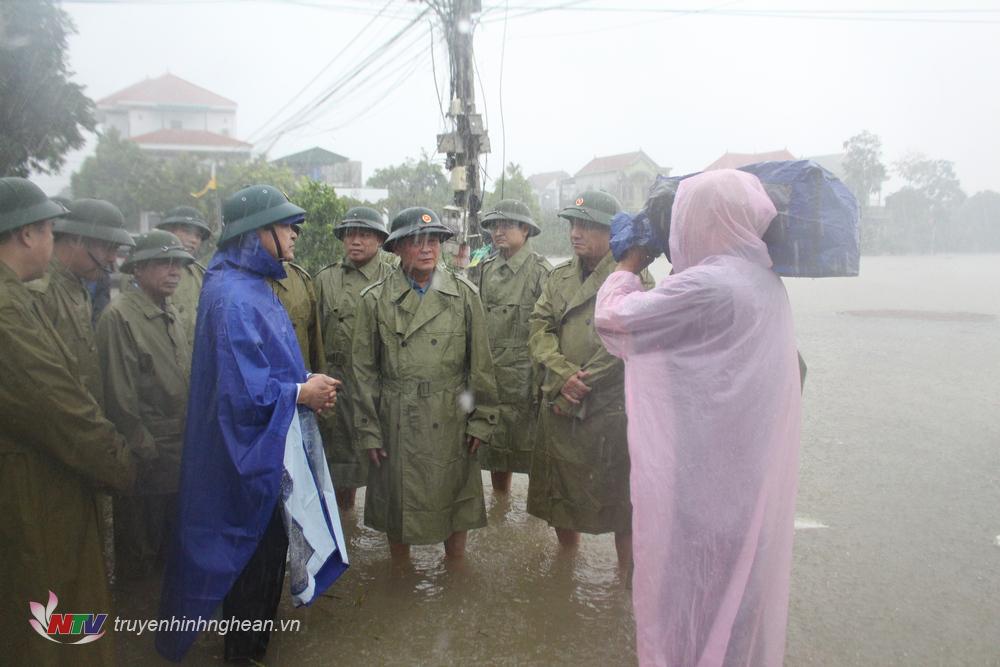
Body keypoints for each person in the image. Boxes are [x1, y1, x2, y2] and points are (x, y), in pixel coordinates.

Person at [594, 169, 803, 667]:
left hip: (707, 493)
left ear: (708, 220)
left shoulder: (714, 284)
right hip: (746, 482)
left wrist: (628, 262)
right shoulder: (763, 281)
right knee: (736, 604)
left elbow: (615, 321)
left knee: (695, 600)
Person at [156, 185, 348, 663]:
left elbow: (267, 366)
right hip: (245, 461)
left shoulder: (246, 286)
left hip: (263, 453)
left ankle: (250, 649)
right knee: (250, 565)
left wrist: (305, 382)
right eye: (287, 227)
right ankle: (242, 655)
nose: (295, 236)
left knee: (264, 565)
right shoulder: (233, 298)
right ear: (256, 233)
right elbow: (240, 394)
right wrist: (301, 393)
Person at [0, 177, 137, 665]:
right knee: (48, 610)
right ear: (28, 235)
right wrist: (118, 462)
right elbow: (56, 403)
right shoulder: (21, 301)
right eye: (50, 231)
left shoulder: (63, 293)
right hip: (39, 482)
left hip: (61, 474)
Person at [351, 207, 499, 559]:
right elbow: (363, 373)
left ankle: (454, 582)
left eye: (434, 240)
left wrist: (481, 419)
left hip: (450, 418)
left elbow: (480, 367)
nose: (428, 248)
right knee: (398, 512)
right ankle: (401, 583)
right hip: (397, 419)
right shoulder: (374, 300)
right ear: (399, 248)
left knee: (455, 506)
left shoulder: (464, 295)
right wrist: (369, 430)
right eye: (418, 241)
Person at [527, 191, 653, 567]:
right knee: (562, 495)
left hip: (610, 408)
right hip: (561, 399)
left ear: (609, 232)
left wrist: (583, 384)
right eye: (571, 224)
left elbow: (633, 336)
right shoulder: (559, 276)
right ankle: (566, 570)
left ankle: (627, 585)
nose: (574, 233)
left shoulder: (633, 277)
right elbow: (539, 326)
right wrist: (564, 375)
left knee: (621, 503)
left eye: (585, 225)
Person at [96, 230, 194, 579]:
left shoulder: (169, 311)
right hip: (147, 460)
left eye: (178, 264)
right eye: (162, 263)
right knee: (141, 556)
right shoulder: (119, 317)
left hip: (177, 453)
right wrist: (145, 453)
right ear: (137, 269)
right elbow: (120, 403)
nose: (174, 271)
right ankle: (136, 628)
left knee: (170, 555)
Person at [314, 206, 395, 509]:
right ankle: (346, 531)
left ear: (379, 239)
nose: (356, 241)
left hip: (379, 384)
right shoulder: (325, 279)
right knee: (339, 465)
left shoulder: (394, 277)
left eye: (364, 234)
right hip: (337, 383)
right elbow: (314, 332)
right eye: (350, 235)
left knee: (386, 463)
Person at [475, 199, 552, 493]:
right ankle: (501, 511)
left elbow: (549, 328)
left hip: (527, 381)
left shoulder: (541, 271)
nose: (498, 231)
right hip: (493, 378)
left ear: (526, 230)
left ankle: (536, 530)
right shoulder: (485, 269)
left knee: (534, 457)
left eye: (506, 225)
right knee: (496, 456)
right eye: (495, 225)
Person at [27, 197, 135, 404]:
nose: (113, 258)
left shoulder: (77, 286)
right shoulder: (40, 292)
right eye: (108, 247)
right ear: (76, 239)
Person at [155, 205, 212, 342]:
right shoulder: (147, 271)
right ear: (167, 231)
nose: (194, 240)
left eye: (198, 236)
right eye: (187, 232)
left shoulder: (201, 274)